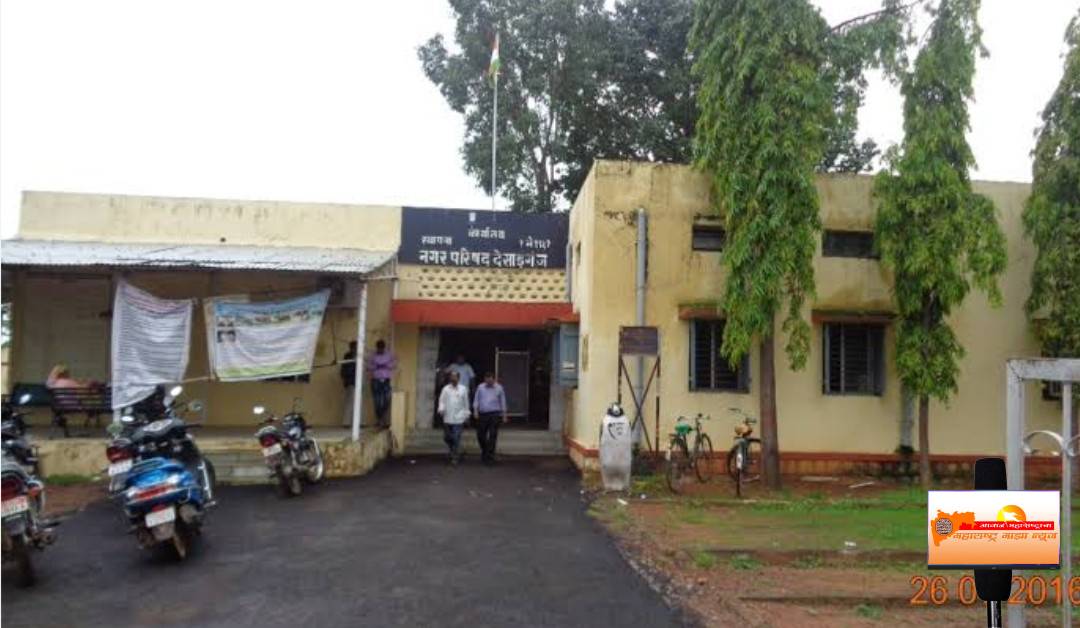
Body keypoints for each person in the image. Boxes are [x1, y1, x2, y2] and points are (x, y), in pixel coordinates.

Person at [472, 372, 507, 465]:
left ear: (494, 379)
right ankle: (485, 451)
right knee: (480, 435)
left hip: (494, 414)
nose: (489, 382)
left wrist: (504, 415)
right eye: (487, 380)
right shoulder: (480, 387)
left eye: (491, 380)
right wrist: (475, 411)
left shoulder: (499, 388)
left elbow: (503, 401)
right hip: (483, 414)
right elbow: (476, 399)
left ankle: (490, 455)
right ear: (485, 379)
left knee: (492, 435)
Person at [437, 370, 470, 465]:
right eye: (452, 376)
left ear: (458, 378)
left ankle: (455, 456)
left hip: (459, 418)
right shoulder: (445, 389)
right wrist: (441, 409)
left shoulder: (463, 389)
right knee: (447, 437)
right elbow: (441, 401)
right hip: (447, 417)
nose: (453, 378)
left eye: (455, 376)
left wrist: (467, 415)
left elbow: (466, 403)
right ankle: (453, 450)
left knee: (456, 437)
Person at [367, 340, 396, 428]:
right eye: (379, 348)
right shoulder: (373, 355)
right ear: (377, 348)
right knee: (377, 401)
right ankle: (380, 420)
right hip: (376, 380)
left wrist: (386, 365)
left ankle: (383, 418)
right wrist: (377, 366)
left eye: (382, 348)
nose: (380, 350)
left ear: (384, 347)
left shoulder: (389, 355)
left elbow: (394, 364)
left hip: (386, 380)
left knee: (387, 400)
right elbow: (368, 366)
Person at [340, 341, 357, 427]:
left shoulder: (358, 356)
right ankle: (346, 422)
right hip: (351, 381)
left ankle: (358, 422)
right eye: (354, 347)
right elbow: (345, 370)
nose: (355, 349)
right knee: (350, 401)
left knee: (358, 402)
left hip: (357, 382)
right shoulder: (348, 356)